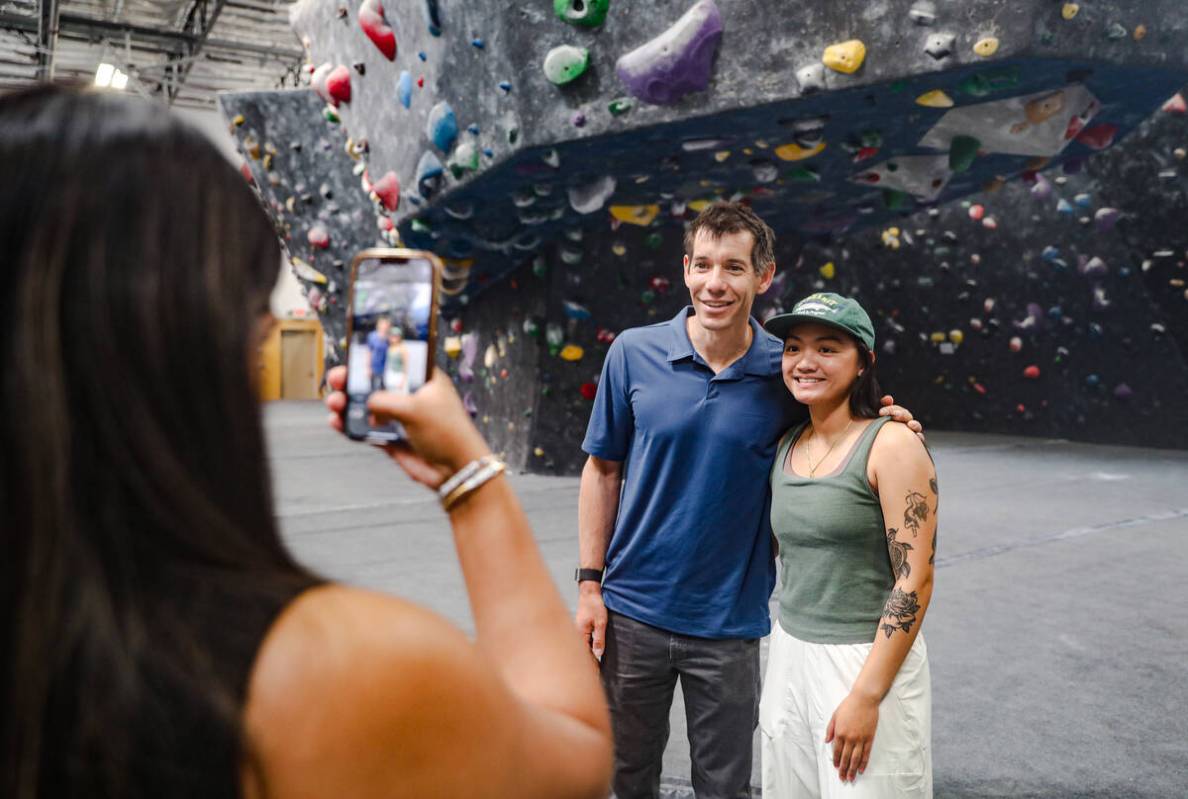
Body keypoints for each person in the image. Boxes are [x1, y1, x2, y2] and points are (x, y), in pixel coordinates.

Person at [0, 84, 611, 799]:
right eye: (253, 304)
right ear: (184, 343)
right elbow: (576, 756)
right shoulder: (341, 673)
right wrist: (470, 481)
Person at [577, 202, 922, 799]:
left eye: (734, 268)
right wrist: (589, 585)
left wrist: (887, 421)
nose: (716, 283)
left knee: (725, 786)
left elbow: (841, 422)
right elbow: (602, 469)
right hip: (631, 611)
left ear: (763, 278)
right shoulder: (632, 353)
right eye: (704, 265)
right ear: (686, 270)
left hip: (730, 624)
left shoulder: (786, 370)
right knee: (626, 777)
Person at [759, 293, 936, 798]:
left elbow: (915, 577)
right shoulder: (787, 444)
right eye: (794, 348)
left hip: (864, 658)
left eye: (828, 348)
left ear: (864, 363)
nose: (806, 362)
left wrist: (866, 695)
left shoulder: (893, 444)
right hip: (790, 651)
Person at [384, 325, 411, 393]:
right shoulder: (390, 347)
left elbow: (406, 366)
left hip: (399, 375)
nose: (393, 337)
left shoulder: (403, 348)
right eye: (392, 335)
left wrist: (403, 380)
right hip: (390, 375)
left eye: (396, 335)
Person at [367, 316, 391, 390]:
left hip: (385, 367)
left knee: (383, 389)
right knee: (372, 389)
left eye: (385, 325)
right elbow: (369, 352)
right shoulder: (372, 336)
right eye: (382, 324)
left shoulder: (390, 337)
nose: (384, 326)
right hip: (374, 365)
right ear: (378, 325)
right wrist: (368, 368)